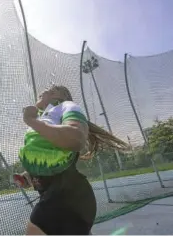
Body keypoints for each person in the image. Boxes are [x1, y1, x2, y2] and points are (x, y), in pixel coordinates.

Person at [16, 85, 128, 235]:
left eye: (52, 90)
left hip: (67, 196)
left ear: (61, 97)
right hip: (64, 197)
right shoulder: (45, 118)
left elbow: (76, 138)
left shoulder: (67, 107)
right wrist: (28, 176)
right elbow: (47, 159)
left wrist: (31, 120)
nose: (46, 91)